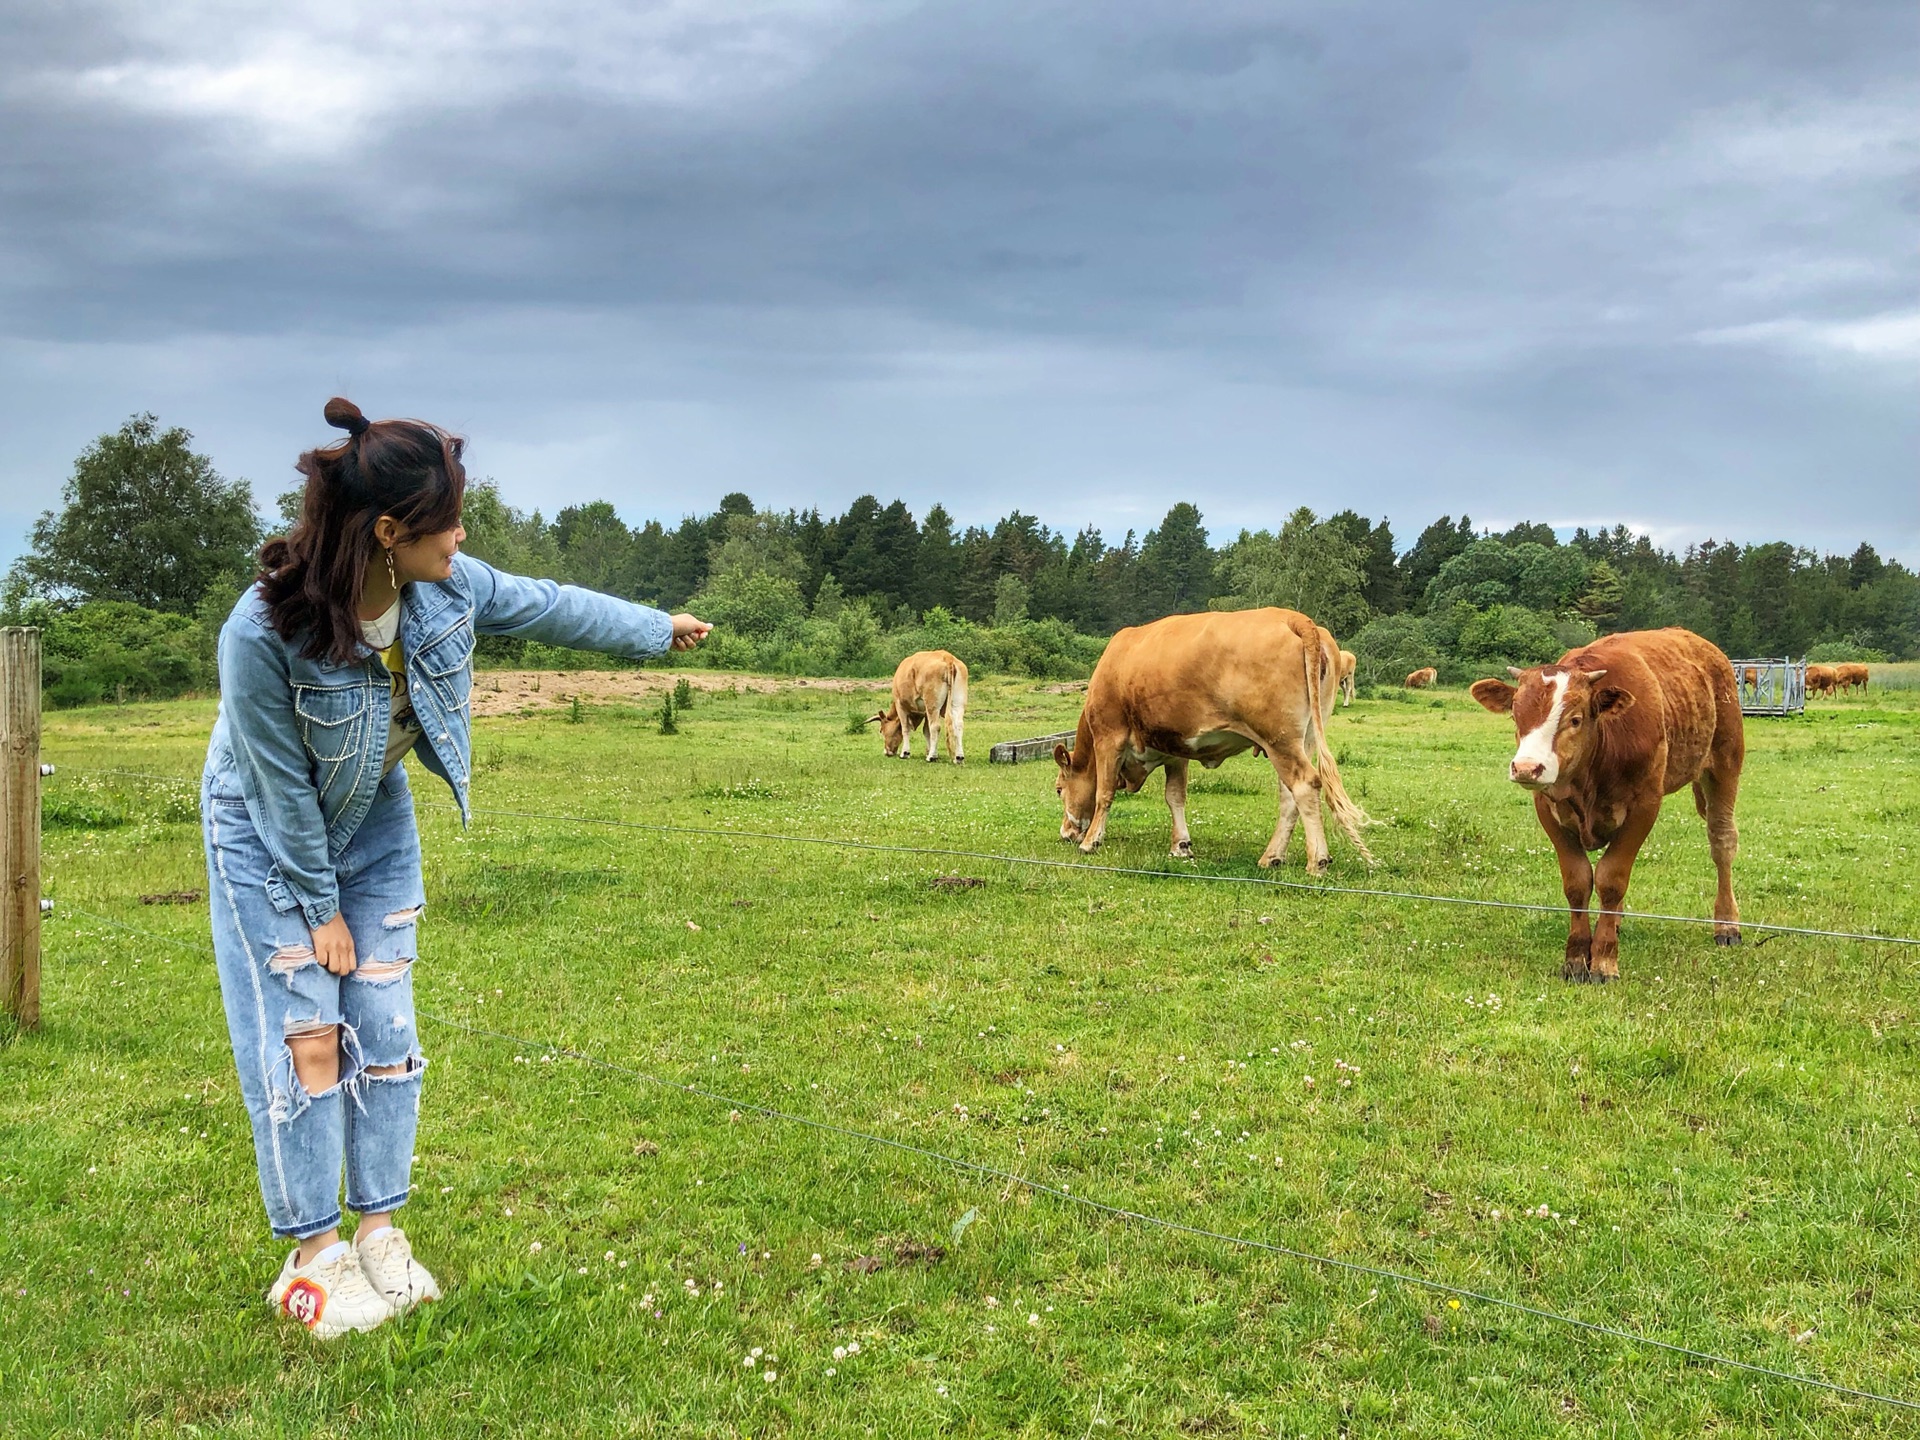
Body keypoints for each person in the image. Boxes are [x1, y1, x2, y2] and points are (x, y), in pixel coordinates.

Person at [202, 398, 710, 1338]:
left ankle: (380, 1234)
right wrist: (321, 909)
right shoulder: (261, 631)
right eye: (447, 521)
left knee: (385, 1020)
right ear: (388, 532)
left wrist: (655, 626)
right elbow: (274, 790)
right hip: (268, 833)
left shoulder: (445, 584)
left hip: (376, 813)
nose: (462, 536)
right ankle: (312, 1258)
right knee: (308, 1034)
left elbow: (546, 603)